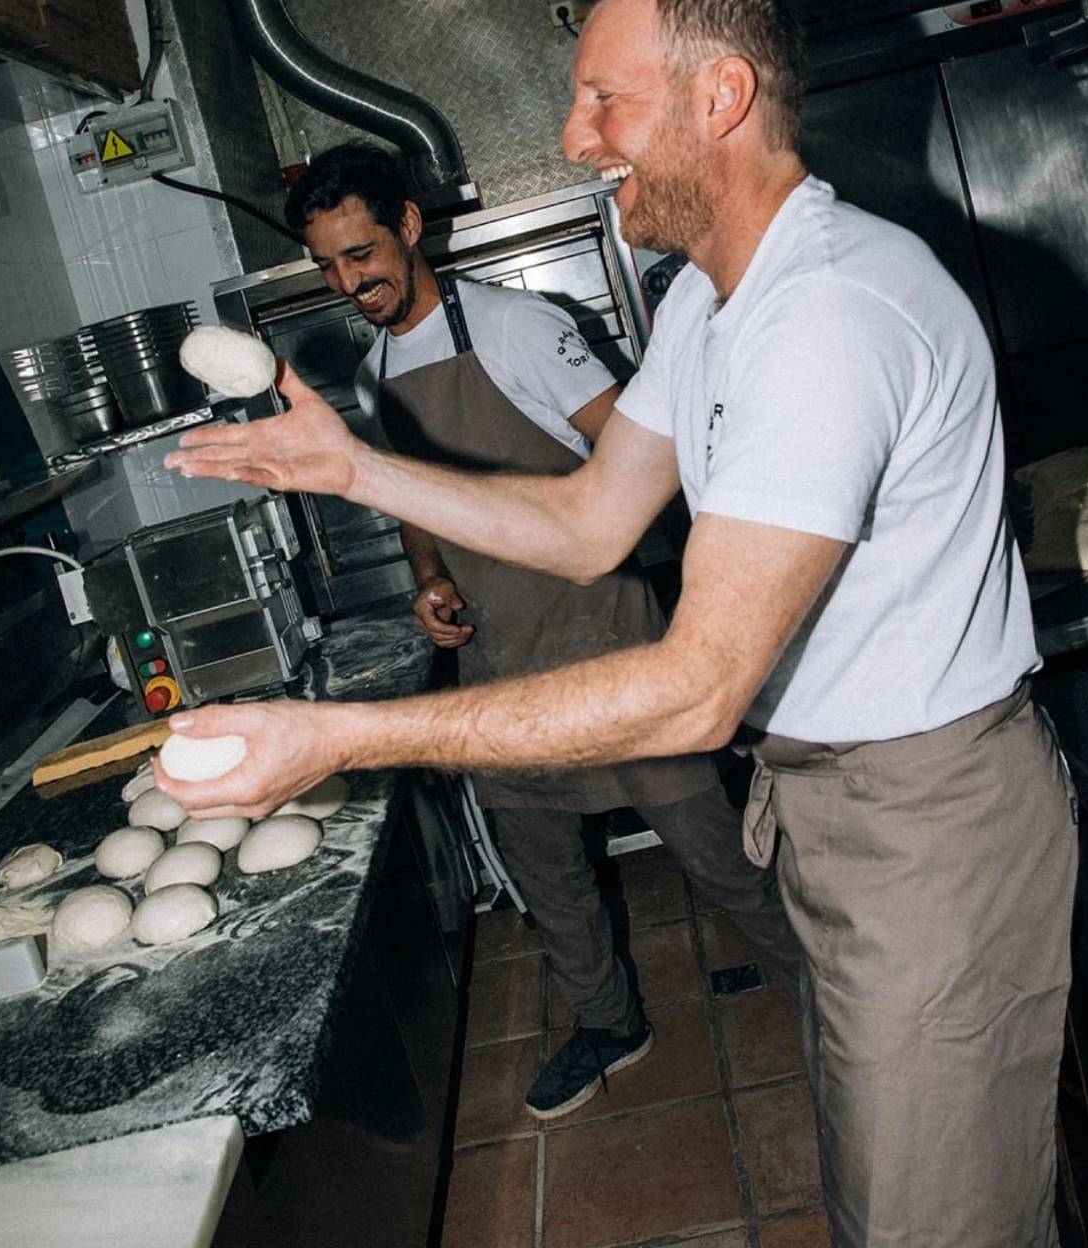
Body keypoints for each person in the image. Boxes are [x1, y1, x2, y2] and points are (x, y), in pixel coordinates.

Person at [162, 0, 1076, 1248]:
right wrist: (357, 467)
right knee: (893, 1196)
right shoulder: (714, 298)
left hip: (923, 818)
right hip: (827, 800)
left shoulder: (826, 311)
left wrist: (344, 739)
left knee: (935, 1226)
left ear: (719, 97)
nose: (574, 136)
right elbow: (591, 520)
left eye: (603, 99)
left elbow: (696, 689)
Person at [278, 139, 798, 1121]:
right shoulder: (375, 372)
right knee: (544, 869)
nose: (349, 282)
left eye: (361, 253)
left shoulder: (514, 327)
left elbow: (638, 453)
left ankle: (825, 988)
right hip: (501, 660)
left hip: (610, 642)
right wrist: (430, 577)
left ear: (408, 227)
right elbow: (413, 500)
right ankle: (607, 1022)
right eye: (328, 266)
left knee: (716, 851)